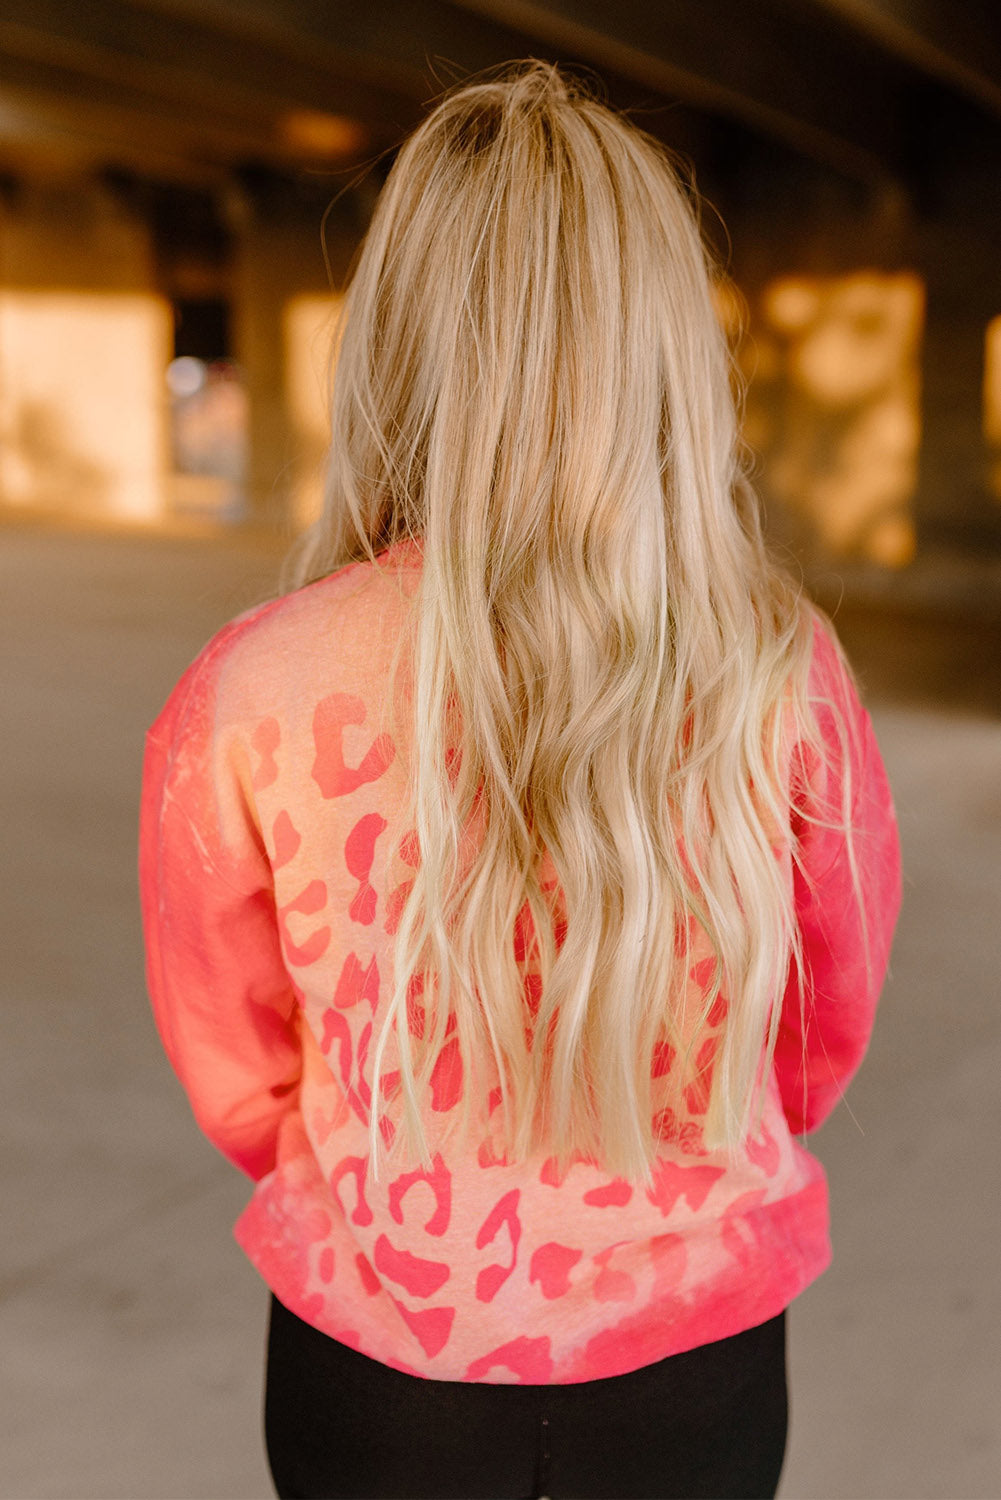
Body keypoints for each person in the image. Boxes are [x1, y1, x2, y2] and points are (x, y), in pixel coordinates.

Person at [138, 60, 902, 1500]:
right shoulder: (779, 671)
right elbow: (817, 1025)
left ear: (398, 336)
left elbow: (234, 1066)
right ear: (662, 342)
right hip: (695, 1354)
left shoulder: (248, 687)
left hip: (375, 1352)